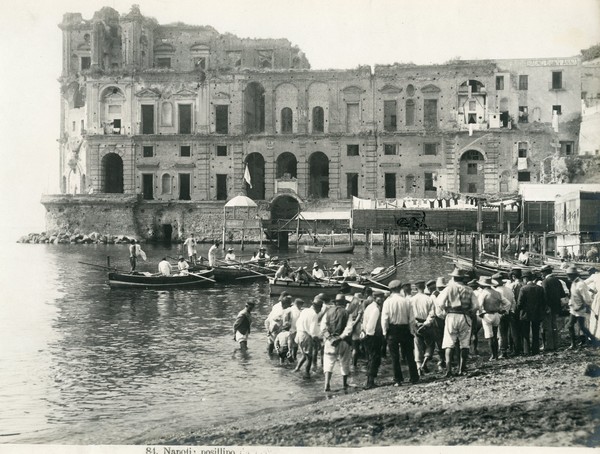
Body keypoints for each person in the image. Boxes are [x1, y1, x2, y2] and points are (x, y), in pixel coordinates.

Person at [435, 268, 478, 377]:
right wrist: (470, 311)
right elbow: (476, 306)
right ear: (463, 278)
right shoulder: (469, 290)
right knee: (464, 343)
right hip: (464, 316)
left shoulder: (448, 289)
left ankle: (448, 370)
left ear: (453, 278)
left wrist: (443, 314)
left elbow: (439, 303)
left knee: (449, 343)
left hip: (451, 316)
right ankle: (461, 369)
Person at [381, 279, 419, 385]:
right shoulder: (407, 301)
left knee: (394, 356)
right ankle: (414, 377)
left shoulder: (387, 302)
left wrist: (385, 332)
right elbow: (412, 318)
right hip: (405, 328)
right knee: (409, 354)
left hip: (393, 329)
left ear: (391, 290)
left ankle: (398, 379)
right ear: (400, 288)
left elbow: (385, 319)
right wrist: (412, 330)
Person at [321, 293, 354, 391]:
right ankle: (344, 384)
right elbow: (349, 329)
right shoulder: (347, 313)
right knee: (345, 361)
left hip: (330, 341)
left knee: (328, 362)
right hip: (343, 341)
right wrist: (339, 338)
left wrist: (330, 338)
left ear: (336, 303)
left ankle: (327, 384)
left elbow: (323, 328)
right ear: (344, 303)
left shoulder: (328, 312)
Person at [477, 276, 511, 361]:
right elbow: (508, 303)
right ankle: (496, 354)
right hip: (496, 314)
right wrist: (503, 311)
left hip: (487, 314)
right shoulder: (497, 292)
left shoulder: (483, 293)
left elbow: (479, 305)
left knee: (489, 336)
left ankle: (493, 355)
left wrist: (480, 313)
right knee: (495, 335)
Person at [516, 270, 546, 355]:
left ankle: (527, 350)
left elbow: (519, 303)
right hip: (537, 313)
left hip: (525, 313)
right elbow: (543, 302)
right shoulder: (539, 288)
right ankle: (535, 350)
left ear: (525, 279)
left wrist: (519, 310)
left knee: (525, 333)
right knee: (535, 332)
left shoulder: (523, 289)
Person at [294, 295, 325, 378]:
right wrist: (318, 343)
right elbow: (313, 332)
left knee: (305, 355)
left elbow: (298, 322)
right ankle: (307, 374)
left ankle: (297, 368)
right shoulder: (314, 315)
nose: (321, 310)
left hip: (299, 333)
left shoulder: (305, 310)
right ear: (318, 307)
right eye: (320, 307)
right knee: (309, 357)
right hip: (306, 336)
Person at [566, 266, 596, 349]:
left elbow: (587, 299)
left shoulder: (580, 284)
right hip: (574, 309)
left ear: (574, 275)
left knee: (582, 327)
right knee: (570, 325)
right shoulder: (574, 282)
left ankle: (594, 341)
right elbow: (574, 295)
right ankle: (573, 344)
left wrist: (582, 307)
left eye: (569, 275)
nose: (568, 277)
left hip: (580, 309)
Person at [540, 264, 566, 352]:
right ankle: (556, 344)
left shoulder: (545, 282)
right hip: (556, 307)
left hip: (548, 307)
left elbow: (544, 296)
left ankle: (549, 345)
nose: (542, 274)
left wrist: (546, 306)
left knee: (547, 327)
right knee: (554, 326)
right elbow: (562, 294)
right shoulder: (557, 281)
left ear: (546, 272)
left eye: (542, 272)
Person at [411, 280, 434, 376]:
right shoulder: (429, 299)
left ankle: (418, 366)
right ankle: (424, 363)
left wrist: (415, 323)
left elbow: (410, 314)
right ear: (424, 287)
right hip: (426, 324)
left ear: (416, 288)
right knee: (430, 344)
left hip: (416, 323)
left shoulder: (411, 299)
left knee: (417, 345)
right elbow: (432, 314)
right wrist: (426, 323)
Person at [361, 295, 384, 389]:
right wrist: (370, 335)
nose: (382, 299)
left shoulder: (369, 307)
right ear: (375, 298)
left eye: (382, 298)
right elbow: (371, 325)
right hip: (372, 336)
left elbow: (364, 322)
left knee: (370, 358)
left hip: (367, 335)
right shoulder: (376, 309)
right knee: (375, 358)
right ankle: (370, 382)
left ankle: (369, 381)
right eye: (380, 298)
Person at [492, 272, 516, 358]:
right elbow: (513, 302)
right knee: (507, 332)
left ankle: (503, 351)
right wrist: (510, 311)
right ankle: (509, 348)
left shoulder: (496, 291)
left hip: (500, 313)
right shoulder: (509, 290)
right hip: (508, 312)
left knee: (501, 333)